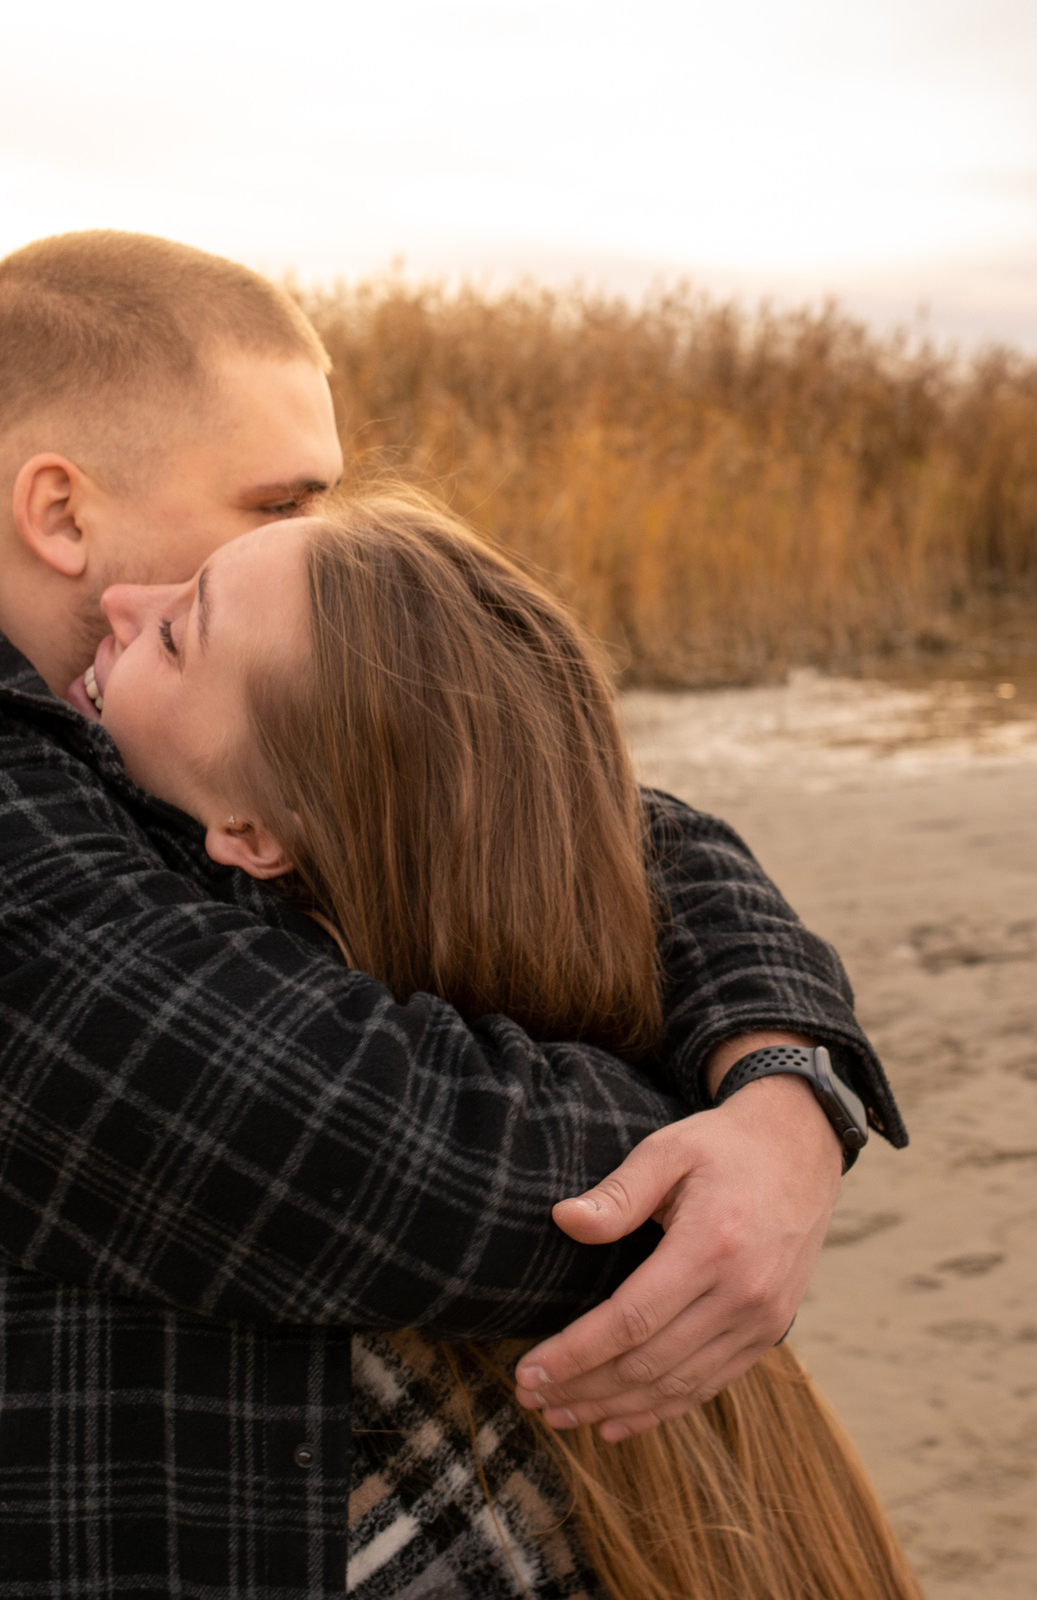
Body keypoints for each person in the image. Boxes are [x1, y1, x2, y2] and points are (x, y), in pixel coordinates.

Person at [0, 230, 907, 1599]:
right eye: (279, 505)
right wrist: (702, 1164)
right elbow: (376, 1151)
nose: (323, 545)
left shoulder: (174, 716)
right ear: (64, 514)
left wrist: (783, 1091)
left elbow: (588, 823)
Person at [82, 486, 924, 1599]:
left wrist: (782, 1088)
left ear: (254, 835)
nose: (119, 600)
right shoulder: (573, 1033)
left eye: (179, 631)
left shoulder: (384, 1399)